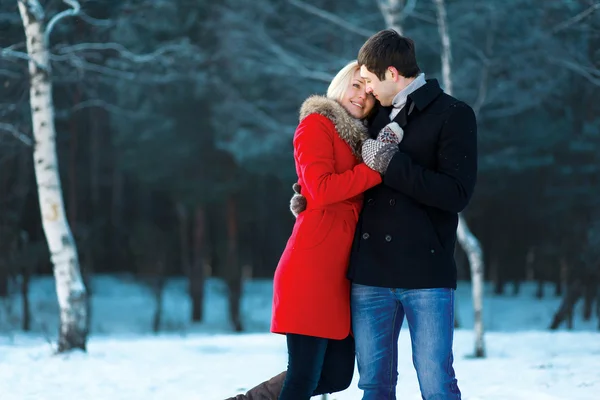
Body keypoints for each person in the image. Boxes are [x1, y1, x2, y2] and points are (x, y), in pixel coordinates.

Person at [293, 29, 478, 399]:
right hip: (370, 275)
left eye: (371, 81)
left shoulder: (453, 114)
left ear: (392, 74)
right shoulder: (370, 117)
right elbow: (337, 173)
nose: (367, 91)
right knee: (374, 384)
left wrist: (393, 165)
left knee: (436, 382)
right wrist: (309, 197)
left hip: (426, 272)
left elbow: (456, 194)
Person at [225, 60, 383, 400]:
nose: (362, 96)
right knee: (304, 376)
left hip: (342, 275)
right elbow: (321, 189)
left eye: (369, 92)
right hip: (313, 267)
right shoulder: (317, 124)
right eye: (356, 85)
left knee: (337, 376)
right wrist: (377, 170)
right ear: (340, 84)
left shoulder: (358, 140)